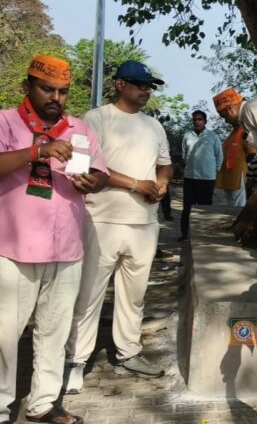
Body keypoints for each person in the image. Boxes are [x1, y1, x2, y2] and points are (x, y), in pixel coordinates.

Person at [0, 55, 108, 424]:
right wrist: (38, 150)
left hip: (66, 248)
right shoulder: (5, 121)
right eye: (47, 89)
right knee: (4, 336)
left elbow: (101, 173)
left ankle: (44, 402)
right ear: (28, 86)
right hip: (12, 249)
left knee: (55, 329)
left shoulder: (79, 130)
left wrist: (94, 181)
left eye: (62, 91)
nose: (56, 98)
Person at [64, 60, 173, 393]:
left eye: (149, 87)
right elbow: (82, 169)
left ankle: (128, 353)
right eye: (140, 85)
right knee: (89, 295)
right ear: (120, 85)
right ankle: (75, 361)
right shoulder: (95, 120)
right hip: (102, 220)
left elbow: (165, 166)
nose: (146, 91)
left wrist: (162, 184)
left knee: (134, 296)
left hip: (144, 223)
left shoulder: (154, 126)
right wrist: (135, 184)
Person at [179, 109, 222, 240]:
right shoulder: (187, 136)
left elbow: (219, 155)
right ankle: (185, 235)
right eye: (194, 120)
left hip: (207, 178)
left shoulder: (213, 136)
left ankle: (202, 236)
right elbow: (184, 154)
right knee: (187, 207)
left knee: (205, 208)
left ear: (205, 121)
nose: (197, 122)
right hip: (190, 177)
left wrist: (215, 170)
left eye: (200, 119)